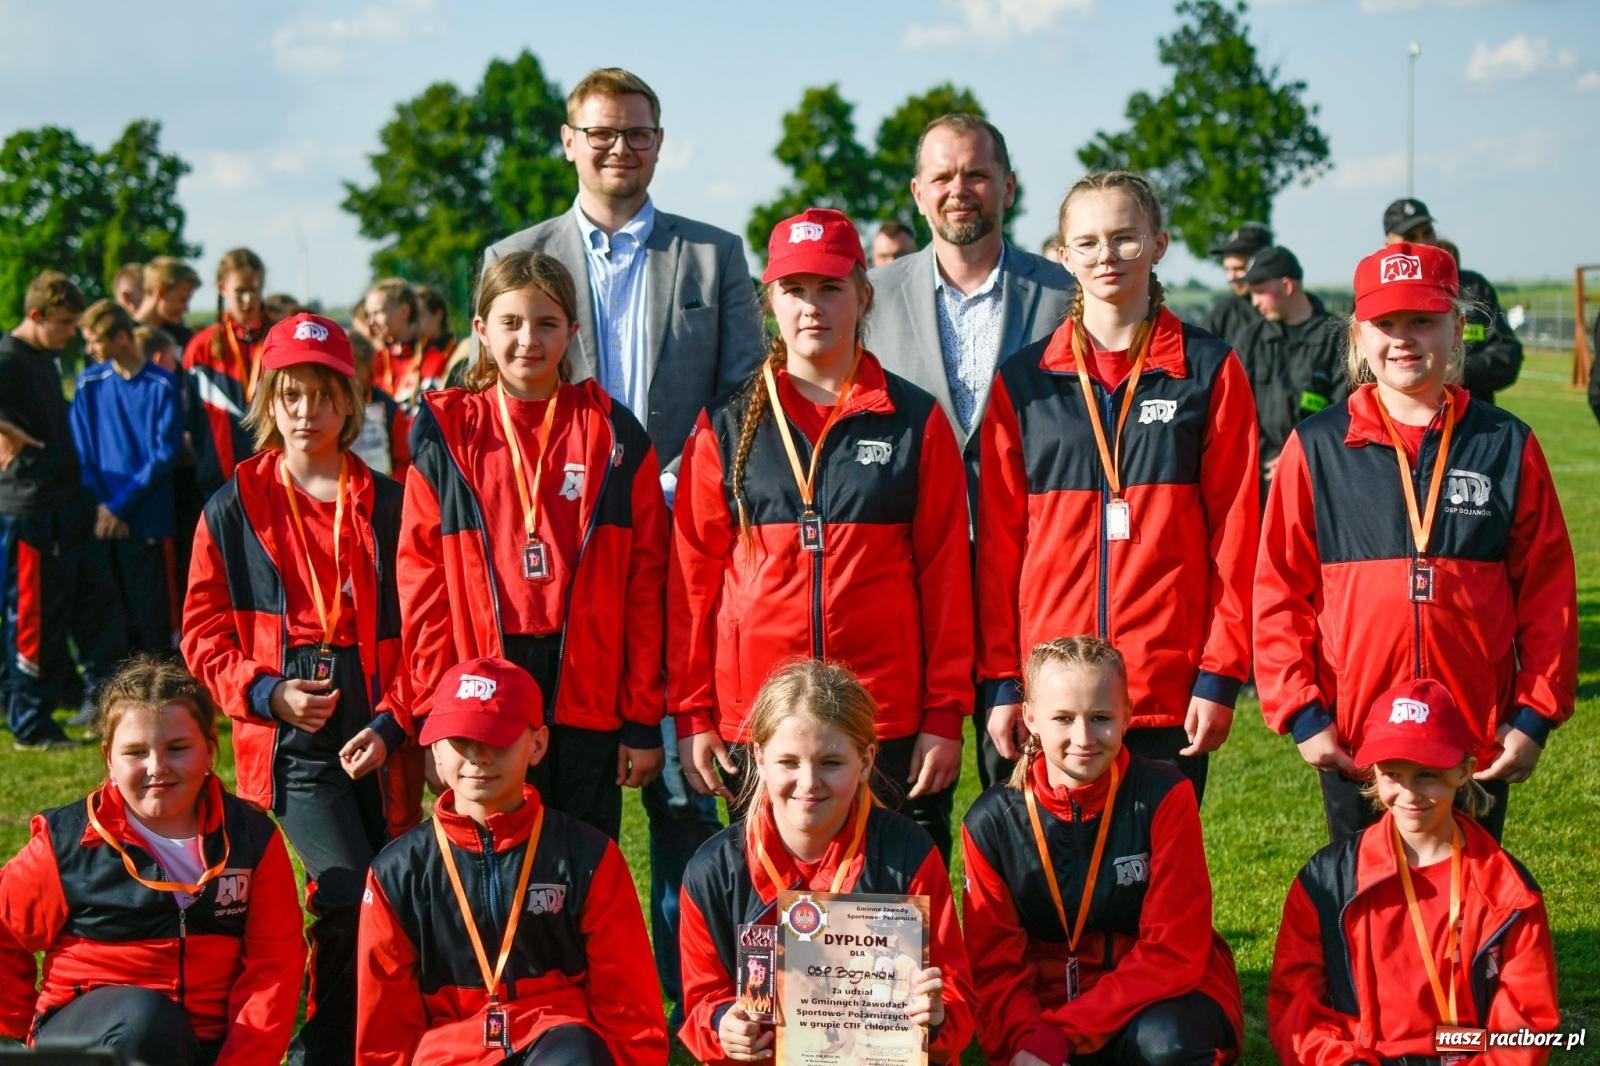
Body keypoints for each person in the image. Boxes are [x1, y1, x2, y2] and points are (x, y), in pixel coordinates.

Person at [479, 66, 763, 1026]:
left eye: (636, 134)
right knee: (560, 785)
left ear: (658, 141)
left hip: (687, 535)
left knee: (686, 778)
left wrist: (681, 482)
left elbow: (740, 393)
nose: (618, 148)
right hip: (558, 552)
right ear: (569, 140)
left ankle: (693, 1000)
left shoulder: (715, 256)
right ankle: (547, 982)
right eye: (600, 132)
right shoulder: (515, 253)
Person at [670, 207, 973, 856]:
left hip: (885, 718)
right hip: (758, 716)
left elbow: (947, 574)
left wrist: (945, 712)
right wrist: (694, 712)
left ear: (863, 295)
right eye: (795, 289)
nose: (813, 306)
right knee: (764, 917)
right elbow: (692, 583)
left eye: (831, 287)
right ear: (769, 300)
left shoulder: (913, 420)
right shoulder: (725, 428)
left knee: (890, 918)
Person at [1254, 242, 1577, 844]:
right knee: (1367, 908)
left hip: (1473, 737)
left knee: (1468, 904)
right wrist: (1302, 712)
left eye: (1422, 321)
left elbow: (1548, 591)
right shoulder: (1317, 447)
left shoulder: (1505, 442)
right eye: (1385, 324)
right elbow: (1278, 590)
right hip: (1357, 741)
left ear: (1457, 329)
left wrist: (1533, 715)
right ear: (1358, 334)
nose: (1403, 339)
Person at [978, 171, 1258, 803]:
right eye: (1089, 241)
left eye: (1125, 238)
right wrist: (1002, 680)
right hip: (1049, 696)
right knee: (1043, 880)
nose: (1107, 255)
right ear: (1063, 254)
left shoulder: (1209, 370)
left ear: (1158, 244)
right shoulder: (1023, 383)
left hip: (1161, 688)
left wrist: (1219, 673)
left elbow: (1237, 539)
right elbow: (998, 549)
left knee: (1155, 878)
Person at [182, 312, 418, 1065]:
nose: (306, 412)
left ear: (350, 402)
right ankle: (322, 1047)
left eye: (322, 395)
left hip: (380, 716)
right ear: (268, 403)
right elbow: (202, 633)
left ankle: (386, 1039)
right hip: (291, 726)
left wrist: (391, 722)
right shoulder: (232, 505)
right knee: (348, 892)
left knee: (396, 895)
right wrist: (266, 694)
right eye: (290, 396)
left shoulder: (392, 501)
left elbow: (429, 628)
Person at [400, 250, 668, 844]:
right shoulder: (448, 433)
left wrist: (643, 716)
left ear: (572, 331)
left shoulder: (613, 432)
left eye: (547, 324)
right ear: (481, 331)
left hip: (585, 686)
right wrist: (432, 711)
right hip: (482, 680)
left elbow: (646, 584)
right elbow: (422, 589)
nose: (529, 340)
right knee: (489, 847)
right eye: (511, 323)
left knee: (578, 853)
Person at [862, 112, 1074, 790]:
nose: (961, 189)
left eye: (977, 174)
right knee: (908, 784)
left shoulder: (1065, 295)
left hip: (1031, 563)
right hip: (909, 567)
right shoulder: (870, 296)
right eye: (944, 176)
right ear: (918, 192)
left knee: (1018, 776)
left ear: (1008, 186)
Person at [357, 656, 667, 1065]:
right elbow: (385, 1022)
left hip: (556, 1036)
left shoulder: (586, 856)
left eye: (496, 739)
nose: (478, 756)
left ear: (537, 745)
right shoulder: (396, 872)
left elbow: (628, 1003)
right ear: (434, 747)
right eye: (460, 740)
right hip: (448, 1049)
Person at [0, 655, 305, 1064]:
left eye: (178, 748)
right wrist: (17, 1030)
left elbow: (275, 965)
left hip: (205, 1046)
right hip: (96, 1040)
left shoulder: (252, 837)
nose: (157, 768)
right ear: (109, 757)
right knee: (147, 1022)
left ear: (210, 750)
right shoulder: (66, 841)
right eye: (136, 752)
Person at [677, 660, 974, 1064]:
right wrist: (721, 1025)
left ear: (866, 762)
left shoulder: (909, 854)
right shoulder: (714, 871)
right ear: (759, 758)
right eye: (788, 762)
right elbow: (702, 1002)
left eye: (830, 763)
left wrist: (935, 1018)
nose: (808, 782)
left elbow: (956, 998)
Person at [962, 637, 1242, 1065]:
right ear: (1031, 718)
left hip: (1158, 996)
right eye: (1063, 718)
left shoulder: (1167, 796)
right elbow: (994, 966)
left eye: (1101, 718)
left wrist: (1063, 1032)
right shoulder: (990, 823)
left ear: (1128, 714)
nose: (1084, 737)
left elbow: (1174, 951)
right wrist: (1027, 1038)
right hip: (1045, 1003)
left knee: (1167, 1047)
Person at [1269, 679, 1559, 1064]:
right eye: (1393, 774)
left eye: (1427, 774)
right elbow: (1296, 1002)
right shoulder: (1325, 881)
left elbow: (1528, 1020)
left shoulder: (1509, 892)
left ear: (1464, 772)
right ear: (1372, 772)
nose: (1409, 794)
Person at [0, 272, 91, 751]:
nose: (71, 332)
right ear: (35, 315)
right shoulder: (9, 357)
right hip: (26, 505)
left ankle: (29, 703)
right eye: (63, 322)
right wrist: (7, 432)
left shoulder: (44, 357)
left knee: (48, 614)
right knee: (28, 618)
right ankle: (31, 726)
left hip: (57, 501)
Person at [70, 300, 185, 656]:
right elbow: (84, 451)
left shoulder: (161, 384)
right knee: (110, 616)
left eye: (95, 341)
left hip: (147, 522)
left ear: (121, 338)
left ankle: (162, 696)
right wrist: (106, 506)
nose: (89, 349)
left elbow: (163, 454)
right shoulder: (89, 383)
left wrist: (120, 506)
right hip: (104, 521)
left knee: (154, 619)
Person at [1382, 198, 1523, 404]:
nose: (1423, 242)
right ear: (1388, 245)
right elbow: (1359, 367)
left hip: (1472, 423)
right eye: (1411, 236)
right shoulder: (1377, 294)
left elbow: (1507, 356)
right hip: (1401, 425)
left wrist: (1461, 369)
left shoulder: (1473, 287)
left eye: (1427, 232)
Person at [1234, 245, 1346, 497]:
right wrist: (1262, 458)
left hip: (1318, 479)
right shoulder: (1249, 340)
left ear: (1286, 286)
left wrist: (1299, 457)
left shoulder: (1337, 337)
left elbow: (1346, 412)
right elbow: (1234, 412)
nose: (1255, 302)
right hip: (1260, 479)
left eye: (1260, 292)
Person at [184, 248, 271, 502]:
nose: (248, 300)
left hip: (275, 475)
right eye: (240, 291)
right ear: (222, 288)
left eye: (255, 290)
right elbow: (191, 419)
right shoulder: (201, 347)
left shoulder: (279, 339)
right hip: (219, 481)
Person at [1201, 221, 1272, 351]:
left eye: (1239, 268)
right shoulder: (1221, 316)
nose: (1231, 277)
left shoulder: (1295, 310)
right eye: (1227, 269)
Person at [137, 256, 201, 352]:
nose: (186, 308)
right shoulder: (126, 337)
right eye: (182, 300)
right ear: (161, 292)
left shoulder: (184, 338)